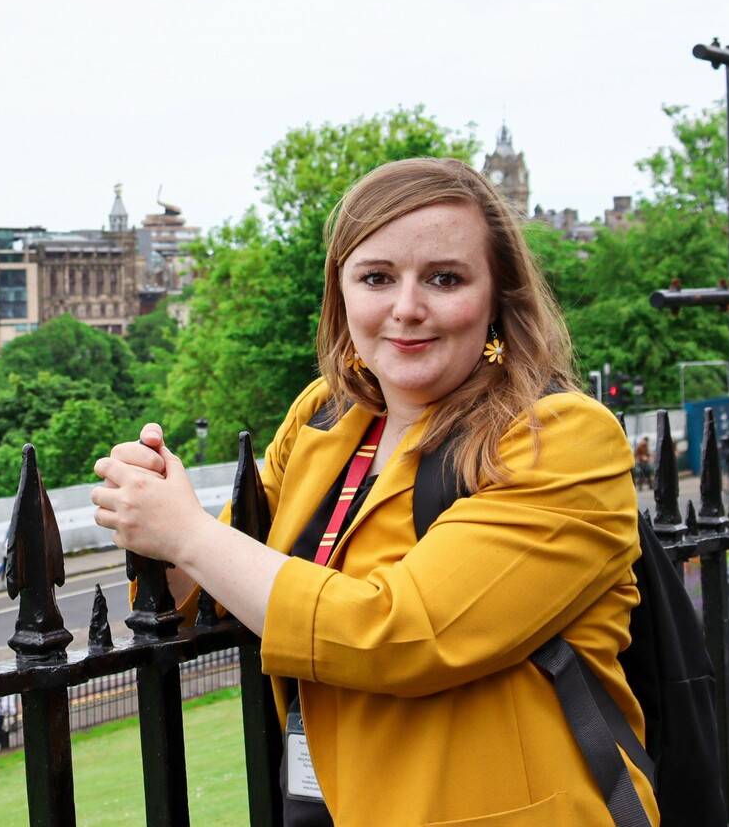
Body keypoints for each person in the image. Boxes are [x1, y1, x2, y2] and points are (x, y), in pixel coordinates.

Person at [90, 158, 653, 826]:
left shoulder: (562, 439)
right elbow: (216, 583)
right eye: (377, 278)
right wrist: (158, 516)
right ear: (342, 294)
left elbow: (401, 634)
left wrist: (186, 532)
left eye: (445, 278)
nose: (407, 308)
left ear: (498, 296)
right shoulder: (326, 417)